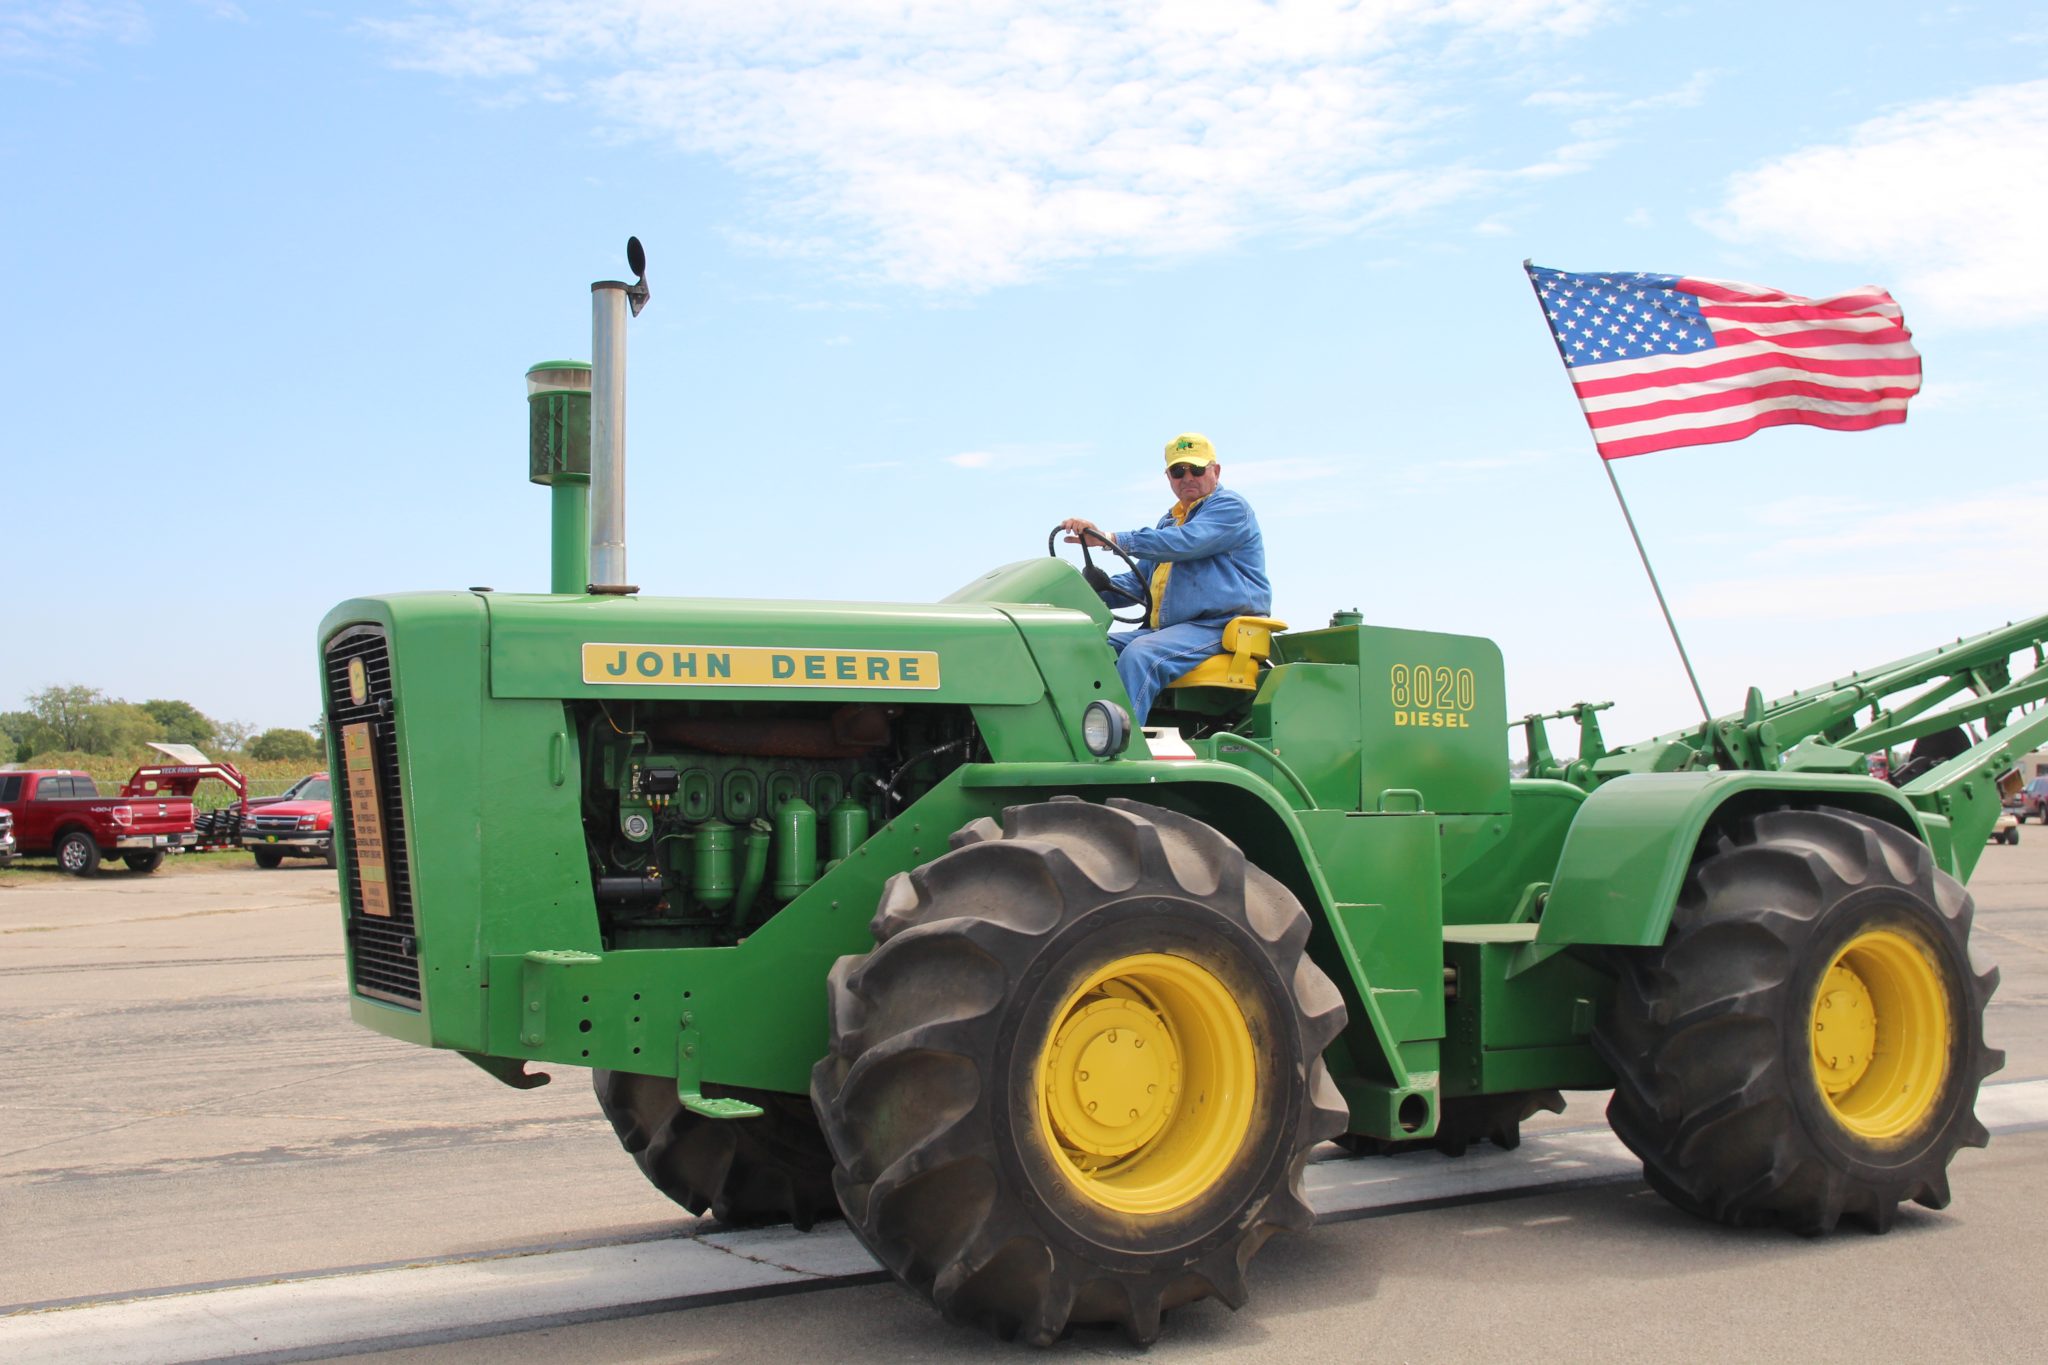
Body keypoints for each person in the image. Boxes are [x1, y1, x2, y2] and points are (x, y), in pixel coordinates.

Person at [1059, 432, 1271, 722]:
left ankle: (1115, 750)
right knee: (1087, 648)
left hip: (1219, 627)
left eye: (1197, 469)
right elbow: (1139, 583)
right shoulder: (1170, 522)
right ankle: (1073, 736)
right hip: (1172, 632)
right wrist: (1073, 595)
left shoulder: (1231, 509)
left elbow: (1185, 542)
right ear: (1168, 477)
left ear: (1216, 471)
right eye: (1178, 471)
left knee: (1139, 655)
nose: (1188, 478)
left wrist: (1109, 539)